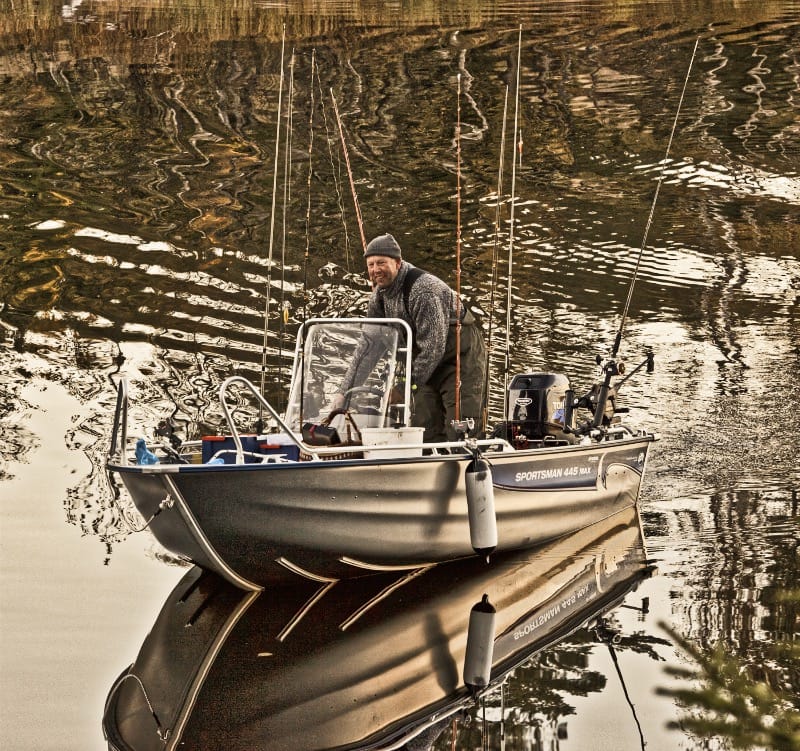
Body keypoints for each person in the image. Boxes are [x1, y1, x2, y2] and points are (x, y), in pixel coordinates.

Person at [335, 233, 486, 442]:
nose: (375, 270)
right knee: (425, 429)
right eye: (370, 264)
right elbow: (368, 349)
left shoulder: (423, 291)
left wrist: (404, 386)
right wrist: (344, 393)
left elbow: (434, 347)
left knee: (459, 429)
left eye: (381, 262)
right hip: (423, 363)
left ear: (397, 263)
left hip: (458, 357)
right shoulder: (378, 298)